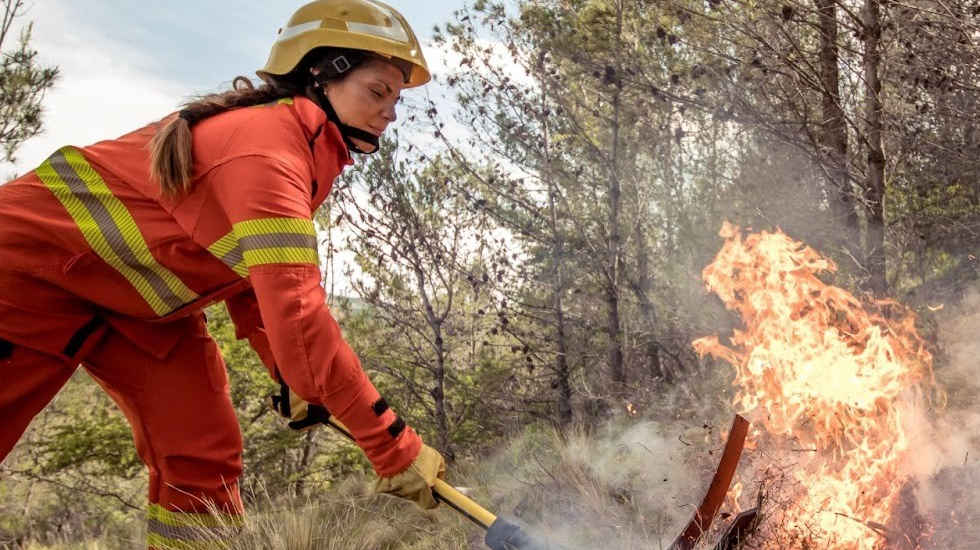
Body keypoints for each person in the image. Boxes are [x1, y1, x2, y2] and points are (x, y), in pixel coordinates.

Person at [0, 0, 446, 547]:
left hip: (134, 304)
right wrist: (393, 446)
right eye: (378, 92)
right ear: (319, 75)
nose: (390, 113)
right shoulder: (266, 153)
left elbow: (253, 290)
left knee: (201, 453)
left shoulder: (300, 155)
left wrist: (288, 373)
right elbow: (300, 316)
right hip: (25, 272)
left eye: (396, 100)